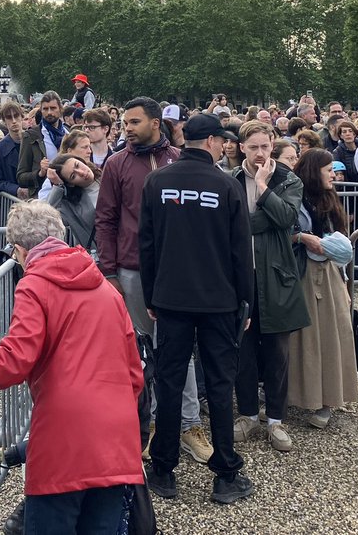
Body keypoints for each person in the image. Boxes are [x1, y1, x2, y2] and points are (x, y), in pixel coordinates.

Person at [0, 201, 143, 534]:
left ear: (20, 251)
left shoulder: (35, 285)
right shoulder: (108, 290)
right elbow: (134, 373)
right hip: (116, 435)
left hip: (64, 434)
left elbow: (11, 363)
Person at [138, 113, 255, 505]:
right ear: (211, 143)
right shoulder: (225, 185)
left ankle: (164, 468)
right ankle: (225, 473)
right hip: (219, 301)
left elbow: (147, 245)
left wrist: (152, 295)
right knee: (220, 384)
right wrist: (246, 299)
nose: (225, 146)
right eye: (222, 141)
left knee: (169, 383)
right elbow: (242, 250)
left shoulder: (158, 181)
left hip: (171, 298)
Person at [94, 97, 209, 462]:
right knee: (147, 350)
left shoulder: (179, 159)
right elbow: (106, 220)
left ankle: (188, 423)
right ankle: (157, 422)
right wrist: (109, 271)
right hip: (133, 269)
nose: (126, 128)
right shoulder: (116, 164)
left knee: (179, 346)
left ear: (156, 123)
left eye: (134, 122)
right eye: (124, 122)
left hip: (179, 270)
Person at [229, 120, 310, 453]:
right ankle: (247, 413)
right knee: (243, 350)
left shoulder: (287, 179)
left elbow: (286, 219)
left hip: (277, 276)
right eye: (253, 147)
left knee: (278, 352)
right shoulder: (230, 180)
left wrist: (262, 188)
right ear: (242, 148)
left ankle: (276, 420)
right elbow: (227, 224)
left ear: (272, 144)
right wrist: (255, 219)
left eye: (265, 146)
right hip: (240, 276)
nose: (260, 153)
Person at [287, 149, 358, 429]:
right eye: (328, 169)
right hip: (303, 273)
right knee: (304, 338)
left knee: (332, 335)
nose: (334, 174)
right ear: (313, 171)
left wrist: (343, 280)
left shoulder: (330, 199)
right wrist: (301, 237)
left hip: (328, 274)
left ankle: (328, 399)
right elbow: (283, 231)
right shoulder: (294, 197)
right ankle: (303, 396)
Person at [46, 151, 101, 253]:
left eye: (77, 165)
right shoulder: (70, 206)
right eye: (73, 176)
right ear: (70, 184)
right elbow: (45, 216)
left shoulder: (109, 177)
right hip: (101, 257)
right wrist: (57, 186)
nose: (82, 172)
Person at [18, 92, 66, 198]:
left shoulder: (69, 135)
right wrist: (40, 173)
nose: (49, 112)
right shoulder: (31, 136)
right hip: (42, 198)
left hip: (67, 196)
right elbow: (21, 177)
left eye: (53, 108)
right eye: (45, 109)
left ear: (60, 109)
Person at [0, 101, 29, 199]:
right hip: (11, 201)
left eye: (16, 116)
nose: (14, 121)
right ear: (4, 121)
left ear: (22, 117)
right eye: (9, 117)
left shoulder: (34, 141)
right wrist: (16, 189)